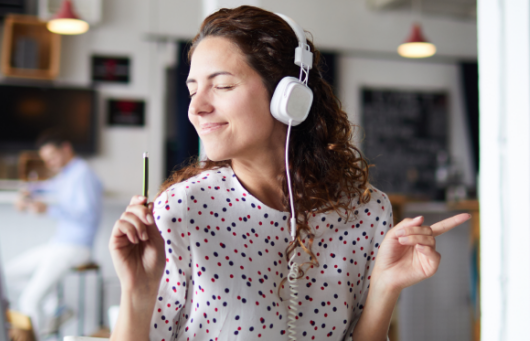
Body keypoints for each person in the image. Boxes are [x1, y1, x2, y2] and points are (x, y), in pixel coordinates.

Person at [108, 6, 470, 341]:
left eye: (222, 86)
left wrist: (384, 289)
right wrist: (137, 292)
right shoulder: (181, 210)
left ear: (289, 96)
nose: (197, 108)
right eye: (192, 90)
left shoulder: (367, 211)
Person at [6, 133, 104, 336]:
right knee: (7, 274)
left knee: (30, 299)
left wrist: (48, 210)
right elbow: (48, 187)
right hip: (58, 244)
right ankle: (56, 308)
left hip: (76, 248)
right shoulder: (67, 174)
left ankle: (41, 325)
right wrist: (26, 192)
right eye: (46, 159)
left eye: (52, 156)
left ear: (66, 148)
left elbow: (88, 215)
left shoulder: (83, 173)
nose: (49, 162)